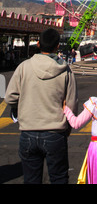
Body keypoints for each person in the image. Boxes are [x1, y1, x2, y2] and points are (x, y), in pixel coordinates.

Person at [4, 28, 78, 184]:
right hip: (55, 132)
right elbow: (71, 103)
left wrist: (21, 105)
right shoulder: (66, 70)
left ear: (38, 44)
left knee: (31, 179)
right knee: (59, 178)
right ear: (58, 46)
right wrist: (67, 128)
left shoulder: (24, 67)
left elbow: (10, 97)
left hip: (28, 131)